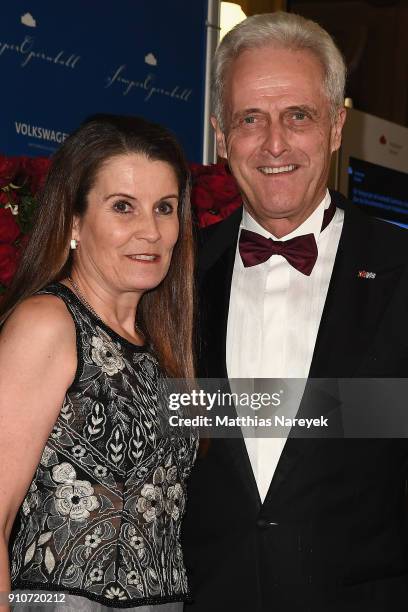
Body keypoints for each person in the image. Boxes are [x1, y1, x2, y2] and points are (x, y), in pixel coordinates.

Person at [182, 11, 408, 612]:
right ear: (221, 135)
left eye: (298, 116)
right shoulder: (173, 279)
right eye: (250, 119)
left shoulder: (402, 272)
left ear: (336, 126)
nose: (274, 143)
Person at [0, 114, 198, 612]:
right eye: (123, 207)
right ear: (73, 221)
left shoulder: (162, 347)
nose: (150, 232)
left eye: (165, 208)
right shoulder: (48, 323)